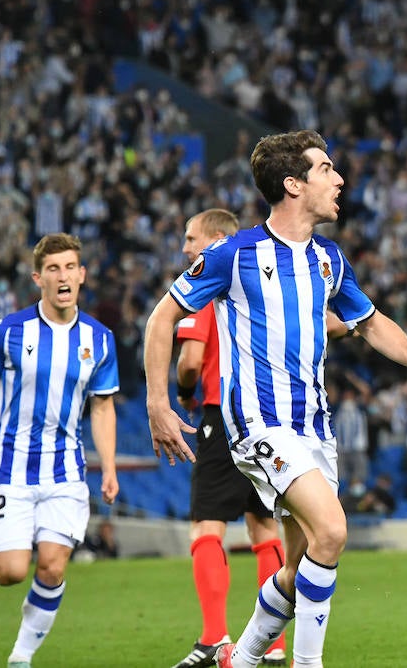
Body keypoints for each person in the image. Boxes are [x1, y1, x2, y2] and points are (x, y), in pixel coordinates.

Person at [143, 130, 407, 668]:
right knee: (334, 530)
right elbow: (163, 317)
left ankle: (240, 659)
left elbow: (369, 322)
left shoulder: (329, 259)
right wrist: (158, 402)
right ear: (293, 185)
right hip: (259, 424)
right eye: (326, 169)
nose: (339, 180)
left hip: (314, 428)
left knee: (297, 571)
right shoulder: (234, 254)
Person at [169, 208, 343, 668]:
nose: (186, 248)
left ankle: (214, 637)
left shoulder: (214, 283)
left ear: (216, 239)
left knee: (208, 525)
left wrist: (183, 393)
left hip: (226, 415)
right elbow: (329, 324)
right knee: (266, 529)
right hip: (282, 422)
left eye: (192, 238)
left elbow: (190, 360)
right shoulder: (275, 280)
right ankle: (274, 646)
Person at [0, 233, 120, 668]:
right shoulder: (8, 332)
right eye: (53, 269)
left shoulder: (100, 340)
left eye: (69, 267)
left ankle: (21, 656)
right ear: (38, 278)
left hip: (65, 470)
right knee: (10, 572)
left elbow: (102, 406)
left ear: (81, 275)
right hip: (8, 468)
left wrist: (108, 467)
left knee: (52, 566)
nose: (62, 276)